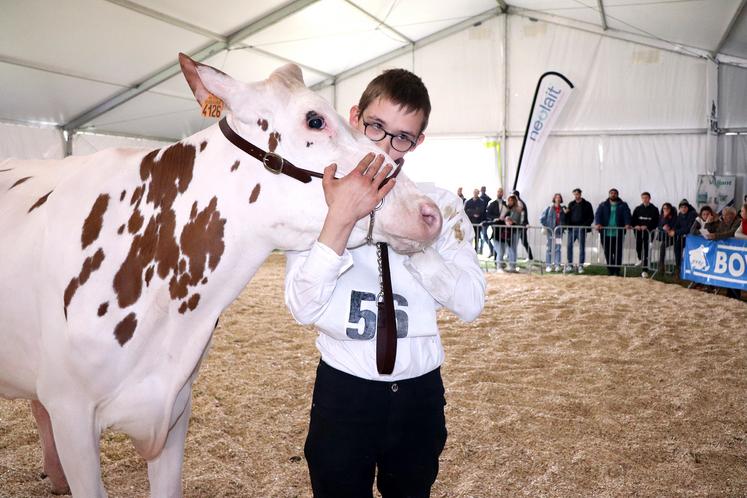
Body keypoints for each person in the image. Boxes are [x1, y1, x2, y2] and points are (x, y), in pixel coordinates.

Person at [284, 68, 486, 498]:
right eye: (377, 126)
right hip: (344, 392)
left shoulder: (439, 206)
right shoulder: (314, 203)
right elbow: (303, 307)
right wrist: (340, 219)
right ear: (355, 117)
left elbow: (471, 304)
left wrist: (421, 249)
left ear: (418, 142)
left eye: (402, 137)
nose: (386, 146)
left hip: (419, 394)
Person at [594, 188, 632, 276]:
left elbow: (627, 214)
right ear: (609, 194)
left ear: (617, 195)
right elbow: (598, 214)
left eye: (615, 193)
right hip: (605, 233)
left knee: (618, 251)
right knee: (608, 252)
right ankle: (610, 269)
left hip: (618, 232)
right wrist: (598, 223)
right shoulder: (603, 205)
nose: (613, 194)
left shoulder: (623, 205)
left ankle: (617, 269)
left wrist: (627, 223)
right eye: (611, 193)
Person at [565, 188, 594, 274]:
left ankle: (581, 265)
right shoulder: (571, 204)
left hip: (582, 229)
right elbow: (568, 216)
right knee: (569, 246)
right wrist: (567, 218)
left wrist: (585, 226)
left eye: (577, 194)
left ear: (581, 194)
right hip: (572, 229)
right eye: (575, 194)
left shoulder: (587, 204)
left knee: (582, 247)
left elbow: (591, 217)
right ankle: (570, 265)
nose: (576, 196)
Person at [631, 192, 659, 278]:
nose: (645, 199)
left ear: (649, 198)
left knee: (647, 251)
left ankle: (645, 270)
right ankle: (640, 259)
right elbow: (633, 219)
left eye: (646, 197)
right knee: (638, 247)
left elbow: (656, 221)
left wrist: (647, 226)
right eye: (643, 198)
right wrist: (636, 225)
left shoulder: (654, 209)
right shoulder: (638, 208)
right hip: (638, 232)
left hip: (649, 233)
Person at [540, 193, 567, 272]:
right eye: (556, 197)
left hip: (559, 232)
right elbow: (542, 219)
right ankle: (548, 265)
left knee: (558, 248)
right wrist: (548, 226)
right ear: (554, 199)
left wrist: (563, 227)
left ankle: (557, 265)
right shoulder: (549, 208)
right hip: (550, 232)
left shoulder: (563, 209)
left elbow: (565, 219)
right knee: (549, 248)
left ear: (561, 199)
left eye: (559, 197)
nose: (558, 199)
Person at [670, 199, 696, 273]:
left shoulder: (692, 214)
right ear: (679, 208)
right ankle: (678, 267)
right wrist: (672, 230)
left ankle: (691, 269)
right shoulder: (680, 215)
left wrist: (675, 232)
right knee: (677, 247)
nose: (683, 209)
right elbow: (676, 225)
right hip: (685, 237)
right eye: (681, 207)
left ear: (688, 208)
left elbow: (689, 228)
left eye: (685, 207)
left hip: (693, 238)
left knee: (690, 253)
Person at [485, 189, 506, 264]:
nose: (500, 193)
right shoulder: (492, 203)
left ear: (503, 193)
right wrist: (496, 218)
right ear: (496, 193)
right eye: (499, 192)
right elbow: (488, 214)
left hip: (503, 228)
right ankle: (497, 263)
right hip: (495, 227)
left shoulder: (505, 203)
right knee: (498, 246)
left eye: (501, 192)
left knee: (502, 247)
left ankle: (500, 262)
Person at [512, 190, 534, 260]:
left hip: (521, 226)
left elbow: (522, 215)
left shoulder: (519, 203)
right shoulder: (521, 202)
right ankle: (530, 257)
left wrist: (522, 224)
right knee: (523, 242)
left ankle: (530, 257)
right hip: (522, 225)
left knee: (523, 242)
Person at [656, 202, 676, 273]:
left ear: (670, 209)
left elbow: (674, 225)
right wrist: (663, 228)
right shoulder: (661, 216)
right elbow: (659, 226)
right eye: (664, 208)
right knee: (663, 246)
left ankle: (677, 267)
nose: (665, 209)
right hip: (664, 236)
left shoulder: (673, 216)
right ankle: (661, 265)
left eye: (667, 208)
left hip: (673, 236)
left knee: (676, 249)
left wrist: (670, 229)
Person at [464, 188, 486, 252]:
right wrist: (473, 213)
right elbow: (466, 211)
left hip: (478, 223)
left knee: (477, 237)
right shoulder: (468, 201)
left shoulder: (481, 202)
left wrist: (471, 211)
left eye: (477, 192)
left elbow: (480, 211)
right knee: (469, 237)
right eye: (474, 192)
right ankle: (469, 250)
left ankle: (476, 250)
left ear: (478, 193)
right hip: (470, 223)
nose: (475, 193)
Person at [478, 186, 493, 257]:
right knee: (482, 237)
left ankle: (492, 250)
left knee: (484, 236)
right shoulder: (485, 198)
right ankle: (480, 250)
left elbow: (486, 211)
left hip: (484, 221)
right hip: (481, 220)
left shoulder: (487, 199)